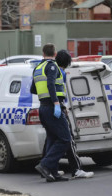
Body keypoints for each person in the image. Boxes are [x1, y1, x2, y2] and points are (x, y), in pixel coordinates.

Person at [31, 43, 71, 182]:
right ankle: (45, 164)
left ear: (43, 53)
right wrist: (56, 104)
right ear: (54, 54)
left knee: (53, 139)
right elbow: (50, 84)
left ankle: (52, 172)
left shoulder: (37, 68)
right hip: (52, 106)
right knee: (65, 139)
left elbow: (33, 89)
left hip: (43, 107)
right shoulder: (52, 66)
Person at [53, 49, 94, 178]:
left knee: (51, 140)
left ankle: (49, 168)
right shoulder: (62, 73)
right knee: (69, 139)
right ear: (67, 62)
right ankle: (76, 169)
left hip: (51, 108)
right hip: (59, 108)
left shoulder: (51, 71)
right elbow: (61, 92)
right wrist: (62, 107)